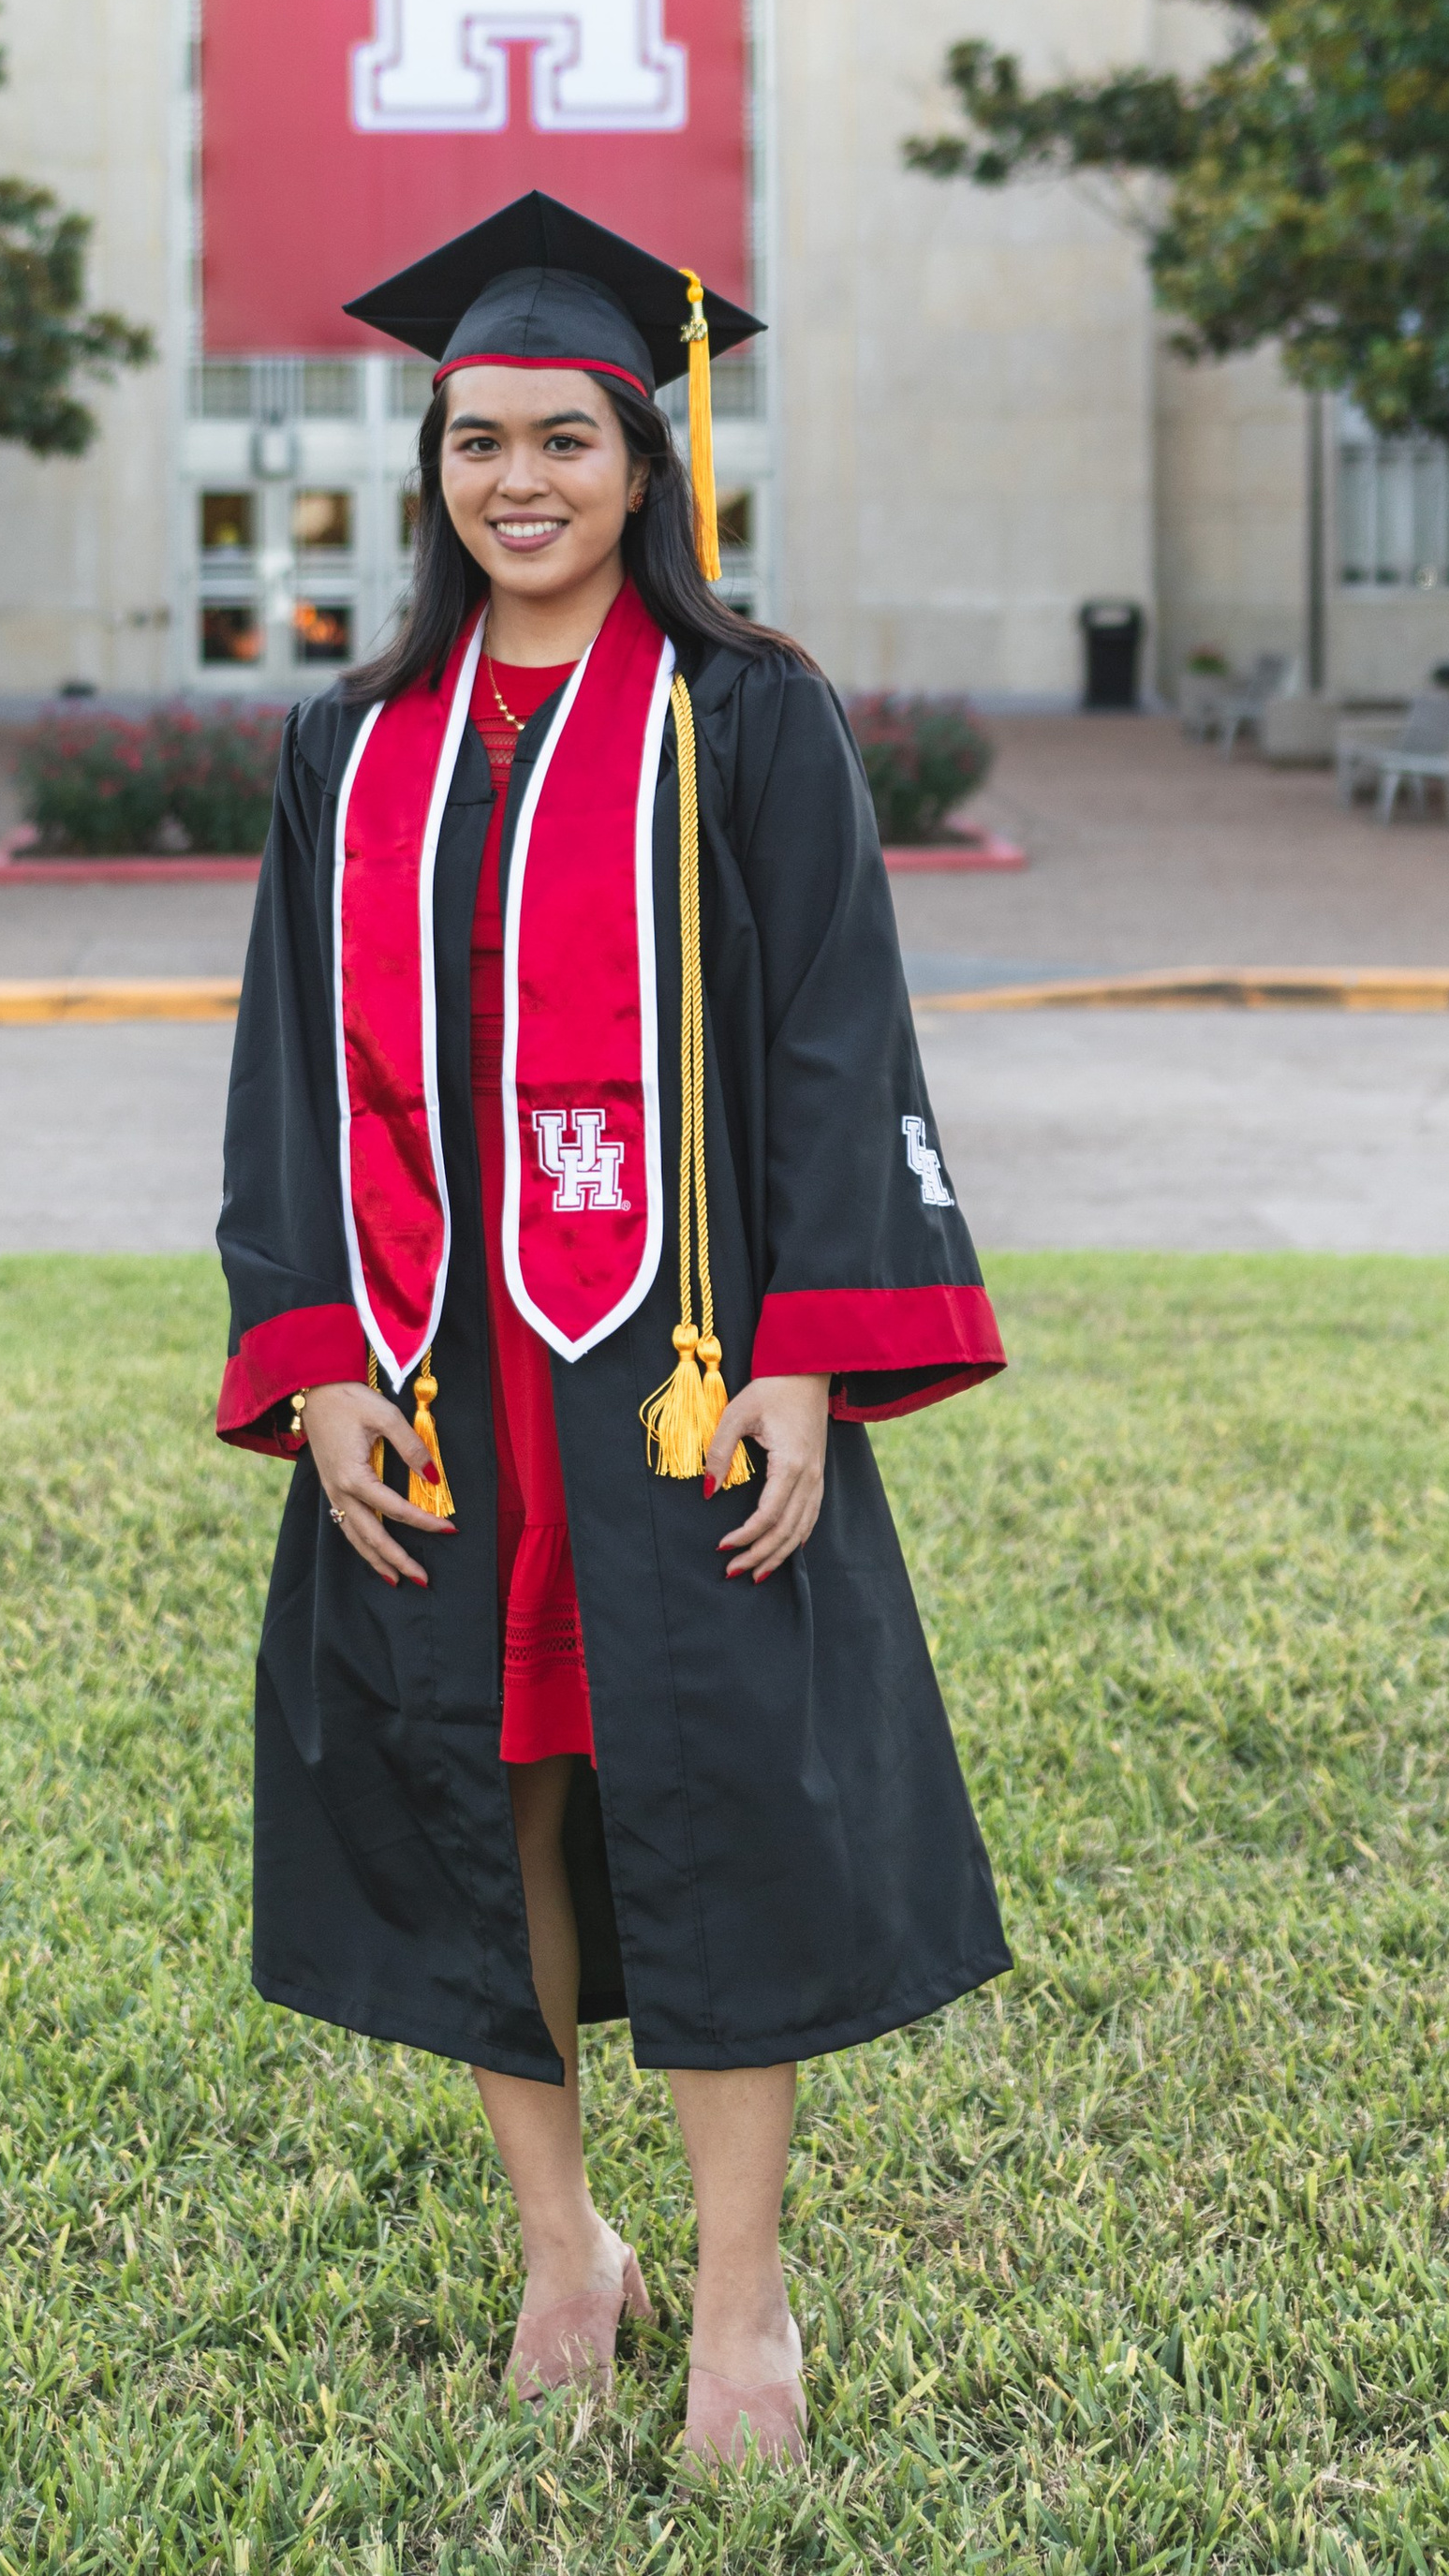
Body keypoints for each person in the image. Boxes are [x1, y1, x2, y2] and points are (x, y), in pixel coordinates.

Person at [216, 190, 1009, 2465]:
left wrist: (799, 1353)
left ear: (643, 462)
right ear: (433, 471)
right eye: (476, 442)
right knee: (496, 1799)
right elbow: (286, 1058)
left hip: (669, 1355)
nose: (519, 481)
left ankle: (738, 2300)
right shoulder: (353, 745)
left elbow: (835, 1043)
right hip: (443, 1367)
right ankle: (563, 2238)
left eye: (565, 435)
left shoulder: (745, 720)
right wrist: (319, 1359)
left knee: (721, 1793)